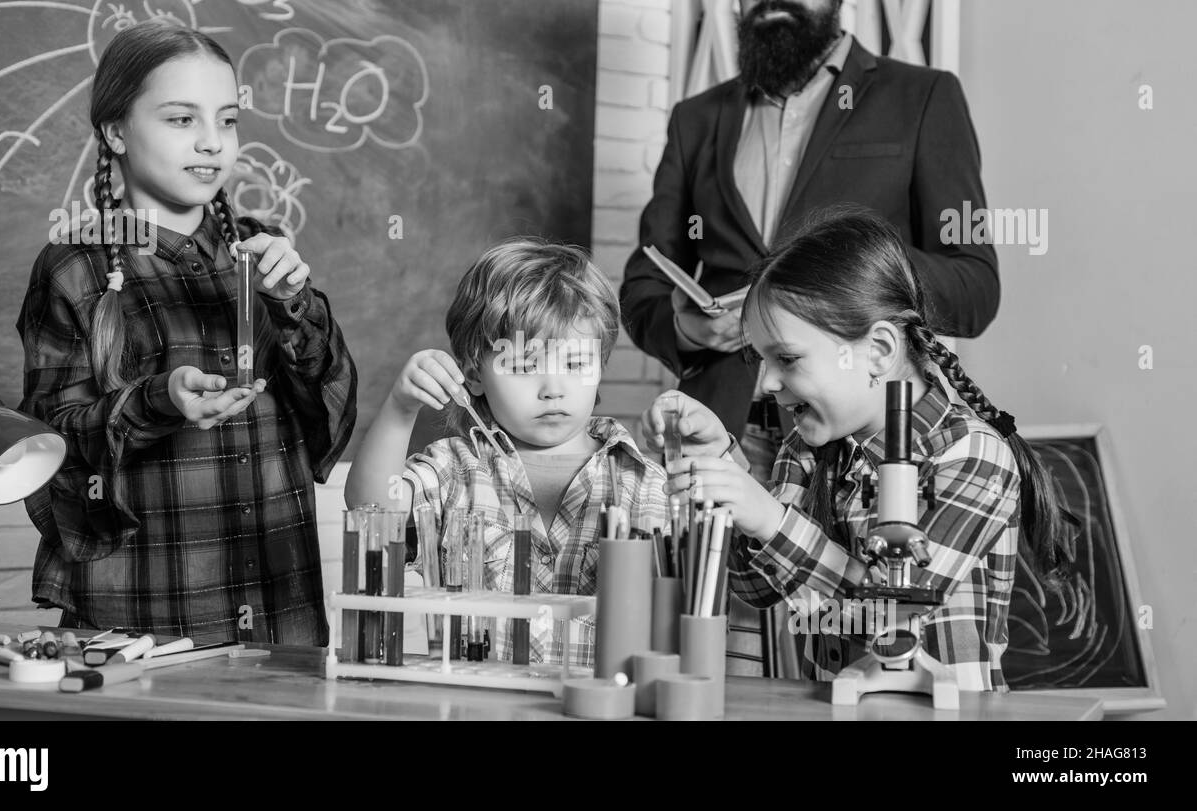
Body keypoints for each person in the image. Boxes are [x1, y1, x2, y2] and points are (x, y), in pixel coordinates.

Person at [620, 0, 999, 674]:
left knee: (865, 640)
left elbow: (975, 283)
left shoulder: (924, 96)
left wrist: (836, 281)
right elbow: (643, 286)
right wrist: (691, 323)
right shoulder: (696, 118)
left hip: (871, 429)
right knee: (730, 667)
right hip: (736, 426)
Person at [16, 22, 357, 646]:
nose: (211, 143)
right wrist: (158, 400)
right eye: (180, 120)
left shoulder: (260, 251)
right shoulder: (75, 264)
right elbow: (48, 444)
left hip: (279, 606)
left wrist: (295, 307)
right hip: (143, 613)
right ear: (115, 130)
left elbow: (327, 411)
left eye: (227, 121)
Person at [643, 210, 1070, 690]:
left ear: (879, 351)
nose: (767, 384)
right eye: (759, 360)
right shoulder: (805, 448)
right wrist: (724, 467)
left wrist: (768, 516)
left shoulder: (971, 457)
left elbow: (891, 611)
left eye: (786, 358)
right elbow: (755, 586)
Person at [347, 238, 666, 665]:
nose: (554, 388)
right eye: (524, 365)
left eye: (575, 365)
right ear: (475, 375)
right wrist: (400, 409)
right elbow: (370, 510)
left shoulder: (641, 481)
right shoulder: (453, 470)